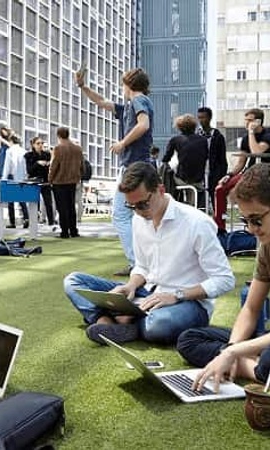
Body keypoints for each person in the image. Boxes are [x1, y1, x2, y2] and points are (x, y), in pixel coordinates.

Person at [64, 162, 235, 345]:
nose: (138, 211)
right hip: (147, 294)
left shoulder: (196, 223)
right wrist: (130, 286)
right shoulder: (139, 219)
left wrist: (176, 295)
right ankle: (108, 321)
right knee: (72, 282)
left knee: (159, 325)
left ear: (160, 190)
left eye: (143, 204)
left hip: (189, 303)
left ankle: (119, 320)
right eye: (132, 206)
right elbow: (143, 266)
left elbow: (225, 280)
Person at [177, 163, 270, 393]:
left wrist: (231, 354)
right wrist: (233, 347)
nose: (250, 230)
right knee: (189, 339)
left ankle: (254, 369)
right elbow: (251, 309)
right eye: (245, 220)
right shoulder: (267, 249)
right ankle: (254, 367)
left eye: (256, 220)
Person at [75, 67, 154, 276]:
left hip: (134, 165)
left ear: (128, 84)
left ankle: (138, 264)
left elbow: (143, 125)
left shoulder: (139, 101)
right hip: (134, 165)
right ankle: (144, 261)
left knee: (121, 215)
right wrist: (83, 87)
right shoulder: (129, 106)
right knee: (139, 215)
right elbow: (101, 102)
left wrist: (122, 142)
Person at [214, 108, 270, 231]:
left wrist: (251, 132)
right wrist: (229, 175)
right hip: (249, 172)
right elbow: (241, 162)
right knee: (220, 188)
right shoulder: (245, 139)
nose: (246, 123)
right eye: (246, 120)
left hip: (265, 173)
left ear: (258, 121)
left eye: (250, 120)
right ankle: (220, 226)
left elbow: (256, 151)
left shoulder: (267, 136)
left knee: (251, 192)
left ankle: (251, 218)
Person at [162, 114, 208, 209]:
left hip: (182, 179)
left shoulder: (175, 140)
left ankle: (173, 202)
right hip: (198, 179)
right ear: (194, 126)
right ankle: (195, 206)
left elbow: (166, 159)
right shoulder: (203, 140)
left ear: (179, 127)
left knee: (167, 173)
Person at [48, 127, 83, 239]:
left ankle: (64, 232)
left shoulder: (58, 149)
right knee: (71, 206)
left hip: (59, 181)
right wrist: (79, 176)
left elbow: (54, 166)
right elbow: (82, 165)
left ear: (58, 135)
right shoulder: (78, 149)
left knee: (62, 207)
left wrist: (50, 179)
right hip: (73, 181)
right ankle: (73, 230)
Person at [197, 106, 227, 208]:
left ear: (210, 118)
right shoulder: (197, 135)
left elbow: (222, 158)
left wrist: (222, 175)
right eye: (199, 117)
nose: (201, 120)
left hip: (214, 173)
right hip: (200, 174)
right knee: (200, 201)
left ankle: (219, 221)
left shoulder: (218, 137)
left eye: (203, 117)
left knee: (217, 201)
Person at [25, 136, 55, 227]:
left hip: (45, 181)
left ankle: (51, 222)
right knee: (34, 203)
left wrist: (48, 164)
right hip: (34, 182)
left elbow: (51, 167)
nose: (40, 145)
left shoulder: (47, 154)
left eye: (42, 143)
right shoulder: (29, 155)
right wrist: (37, 163)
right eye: (38, 143)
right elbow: (29, 170)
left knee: (48, 203)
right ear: (33, 145)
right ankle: (34, 222)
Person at [2, 133, 29, 229]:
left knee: (11, 201)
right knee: (22, 199)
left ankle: (12, 222)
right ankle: (26, 219)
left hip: (12, 177)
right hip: (21, 178)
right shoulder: (24, 151)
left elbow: (7, 165)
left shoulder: (9, 151)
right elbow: (26, 166)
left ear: (11, 141)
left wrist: (4, 178)